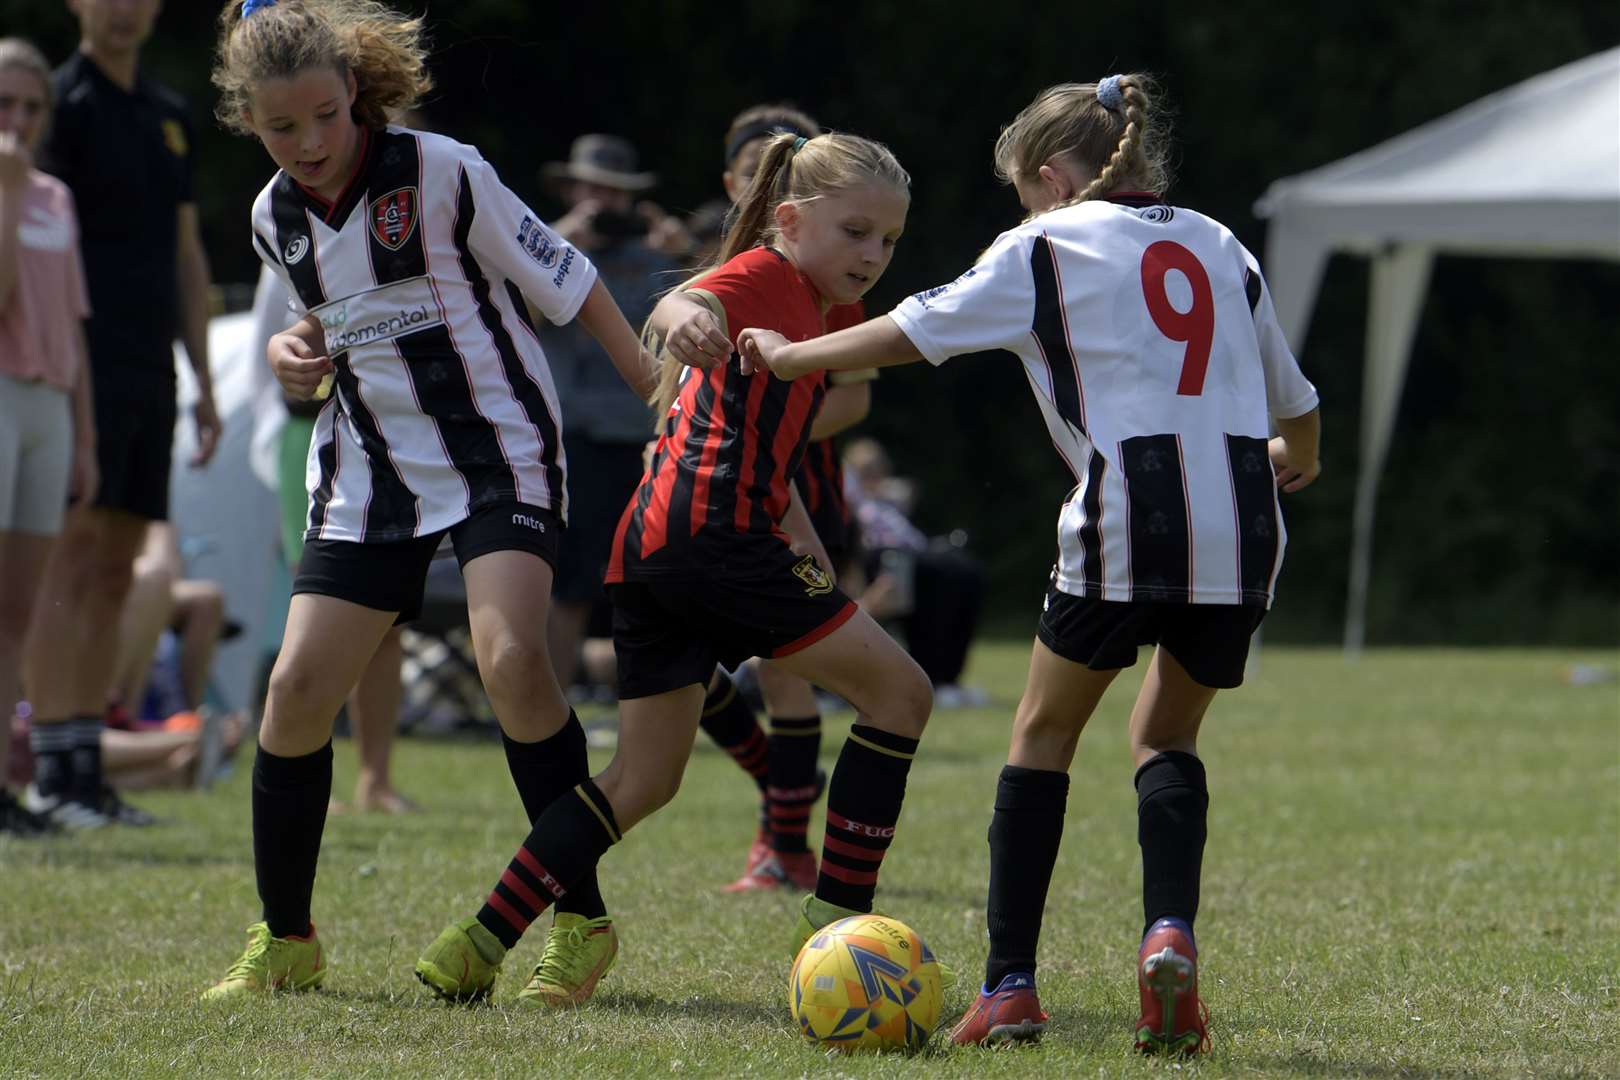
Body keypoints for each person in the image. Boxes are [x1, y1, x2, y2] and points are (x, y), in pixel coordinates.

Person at [736, 75, 1322, 1054]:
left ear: (1051, 177)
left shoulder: (1046, 242)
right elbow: (1294, 405)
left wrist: (791, 357)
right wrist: (1295, 461)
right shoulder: (1221, 243)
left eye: (1021, 190)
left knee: (1042, 736)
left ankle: (1009, 985)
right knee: (1165, 736)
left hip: (1129, 513)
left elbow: (913, 330)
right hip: (1243, 524)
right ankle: (1167, 934)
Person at [201, 0, 656, 1001]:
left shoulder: (442, 171)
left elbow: (568, 280)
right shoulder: (272, 218)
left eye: (326, 114)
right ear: (251, 123)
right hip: (370, 474)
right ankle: (287, 940)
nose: (310, 141)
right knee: (292, 694)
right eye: (284, 127)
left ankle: (580, 925)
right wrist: (288, 357)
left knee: (511, 660)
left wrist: (657, 398)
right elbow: (304, 339)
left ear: (352, 91)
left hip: (500, 453)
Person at [413, 130, 928, 1008]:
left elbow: (801, 428)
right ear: (792, 220)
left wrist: (802, 536)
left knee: (643, 779)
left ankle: (478, 940)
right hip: (714, 541)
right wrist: (682, 315)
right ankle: (838, 940)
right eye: (856, 233)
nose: (874, 256)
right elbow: (682, 303)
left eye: (888, 239)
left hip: (650, 548)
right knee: (903, 695)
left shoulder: (825, 307)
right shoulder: (765, 274)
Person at [665, 104, 880, 893]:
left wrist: (768, 436)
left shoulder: (836, 283)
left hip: (797, 494)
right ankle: (781, 789)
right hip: (704, 493)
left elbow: (854, 403)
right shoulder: (732, 276)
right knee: (686, 663)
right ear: (734, 185)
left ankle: (783, 842)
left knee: (786, 673)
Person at [22, 0, 222, 829]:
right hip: (80, 365)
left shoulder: (169, 115)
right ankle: (48, 771)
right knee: (66, 565)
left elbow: (184, 254)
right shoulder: (59, 107)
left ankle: (86, 769)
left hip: (151, 370)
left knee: (116, 568)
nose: (124, 10)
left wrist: (206, 380)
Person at [537, 135, 677, 695]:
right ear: (571, 191)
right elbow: (510, 319)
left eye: (615, 194)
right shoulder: (540, 253)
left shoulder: (657, 261)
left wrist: (683, 247)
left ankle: (653, 703)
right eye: (592, 189)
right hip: (575, 439)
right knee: (569, 585)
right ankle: (545, 711)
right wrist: (559, 242)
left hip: (644, 439)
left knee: (654, 583)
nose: (602, 202)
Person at [0, 38, 97, 836]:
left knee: (18, 611)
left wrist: (86, 437)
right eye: (4, 105)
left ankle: (6, 783)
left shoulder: (57, 198)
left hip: (50, 407)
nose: (19, 121)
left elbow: (71, 320)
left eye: (32, 107)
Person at [842, 437, 988, 704]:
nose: (875, 475)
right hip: (880, 558)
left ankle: (948, 678)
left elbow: (907, 490)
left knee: (967, 571)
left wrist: (881, 490)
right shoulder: (851, 499)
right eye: (867, 470)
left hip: (914, 553)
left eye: (879, 468)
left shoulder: (887, 503)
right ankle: (931, 676)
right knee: (936, 576)